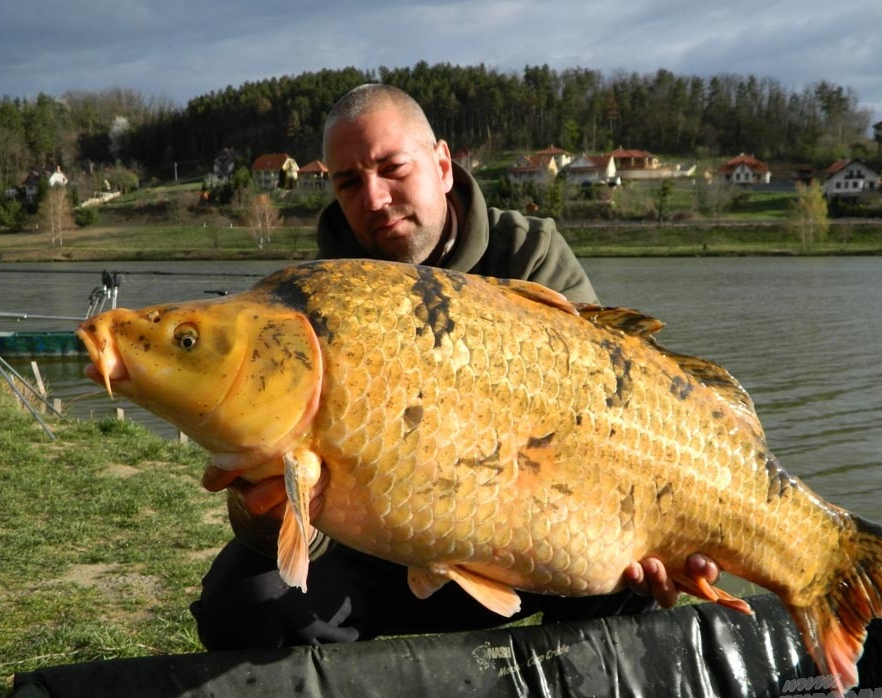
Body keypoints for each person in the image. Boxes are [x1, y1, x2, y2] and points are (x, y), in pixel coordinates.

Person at [191, 84, 719, 649]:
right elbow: (302, 527)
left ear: (443, 166)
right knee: (245, 600)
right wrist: (272, 516)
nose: (373, 198)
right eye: (349, 182)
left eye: (392, 168)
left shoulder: (529, 254)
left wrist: (657, 533)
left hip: (540, 544)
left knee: (630, 574)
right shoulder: (313, 307)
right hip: (392, 548)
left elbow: (610, 415)